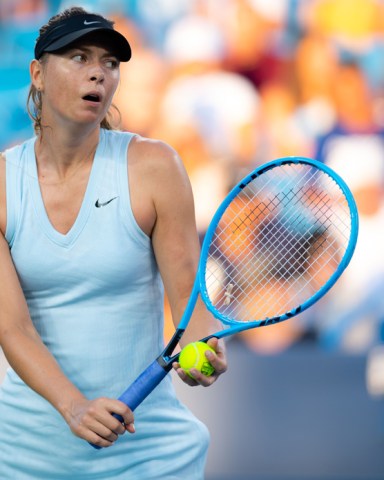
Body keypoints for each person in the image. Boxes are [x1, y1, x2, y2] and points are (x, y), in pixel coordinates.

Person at [0, 6, 227, 479]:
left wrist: (203, 346)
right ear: (38, 74)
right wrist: (74, 407)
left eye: (109, 62)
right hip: (27, 458)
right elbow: (12, 328)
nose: (98, 73)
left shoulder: (155, 167)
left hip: (151, 458)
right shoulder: (3, 182)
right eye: (79, 57)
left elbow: (189, 300)